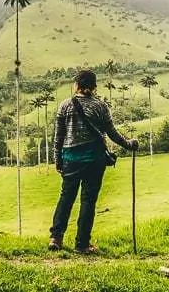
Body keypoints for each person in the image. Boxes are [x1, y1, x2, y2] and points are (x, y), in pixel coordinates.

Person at [48, 69, 138, 254]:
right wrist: (129, 144)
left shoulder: (65, 106)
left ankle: (56, 238)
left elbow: (59, 137)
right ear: (94, 87)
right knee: (88, 200)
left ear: (77, 85)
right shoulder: (100, 106)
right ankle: (82, 244)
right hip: (94, 160)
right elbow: (112, 133)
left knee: (66, 198)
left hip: (70, 159)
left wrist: (57, 160)